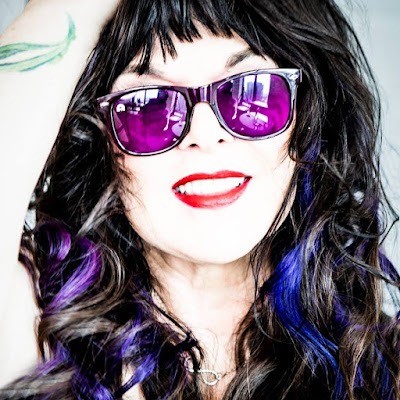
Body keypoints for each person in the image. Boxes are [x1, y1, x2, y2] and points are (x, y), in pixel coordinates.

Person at [0, 0, 399, 399]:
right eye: (149, 105)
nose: (205, 135)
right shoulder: (40, 329)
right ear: (99, 141)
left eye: (249, 89)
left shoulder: (387, 368)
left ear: (310, 116)